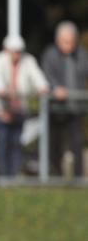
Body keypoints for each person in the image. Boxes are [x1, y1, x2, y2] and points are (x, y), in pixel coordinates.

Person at [0, 35, 49, 179]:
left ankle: (14, 176)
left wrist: (43, 87)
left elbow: (37, 76)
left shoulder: (28, 60)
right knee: (3, 144)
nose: (16, 54)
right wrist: (3, 91)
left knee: (16, 144)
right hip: (2, 110)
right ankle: (3, 178)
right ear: (7, 50)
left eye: (18, 51)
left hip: (19, 110)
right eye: (13, 51)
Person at [41, 21, 88, 178]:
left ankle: (78, 179)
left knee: (77, 144)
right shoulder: (50, 55)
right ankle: (56, 178)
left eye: (71, 41)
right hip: (57, 108)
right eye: (65, 41)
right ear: (58, 40)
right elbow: (46, 75)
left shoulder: (82, 55)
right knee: (55, 145)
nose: (69, 45)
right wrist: (55, 88)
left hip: (76, 108)